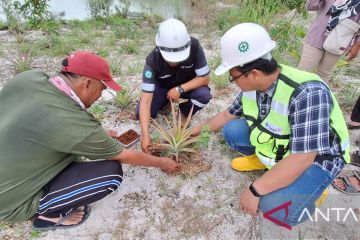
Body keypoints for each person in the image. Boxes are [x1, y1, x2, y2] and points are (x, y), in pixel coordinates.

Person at [192, 23, 350, 226]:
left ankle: (314, 190)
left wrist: (255, 189)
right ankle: (269, 162)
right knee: (232, 131)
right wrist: (193, 131)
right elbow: (226, 116)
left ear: (254, 73)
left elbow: (303, 157)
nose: (234, 82)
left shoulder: (307, 93)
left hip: (317, 157)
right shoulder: (253, 86)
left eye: (233, 78)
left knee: (273, 207)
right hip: (286, 145)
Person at [0, 51, 179, 230]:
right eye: (101, 89)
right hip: (10, 202)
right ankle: (47, 216)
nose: (100, 96)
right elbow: (123, 155)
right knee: (111, 173)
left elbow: (41, 122)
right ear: (87, 83)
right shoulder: (68, 120)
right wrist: (163, 162)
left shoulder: (30, 78)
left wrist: (93, 134)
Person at [135, 18, 212, 153]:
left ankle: (182, 114)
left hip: (187, 84)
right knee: (140, 113)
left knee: (204, 95)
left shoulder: (194, 46)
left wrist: (179, 89)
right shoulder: (152, 61)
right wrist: (145, 135)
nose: (174, 62)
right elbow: (146, 101)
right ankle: (164, 103)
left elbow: (205, 78)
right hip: (162, 87)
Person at [298, 0, 360, 83]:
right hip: (317, 35)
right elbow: (310, 6)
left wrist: (357, 45)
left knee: (324, 73)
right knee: (303, 70)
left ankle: (318, 95)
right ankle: (295, 94)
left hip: (341, 40)